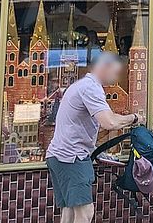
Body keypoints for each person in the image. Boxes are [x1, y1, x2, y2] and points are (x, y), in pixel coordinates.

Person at [45, 52, 143, 223]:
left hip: (59, 156)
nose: (117, 76)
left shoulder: (81, 85)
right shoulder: (91, 88)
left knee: (69, 211)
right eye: (115, 71)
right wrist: (134, 118)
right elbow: (109, 122)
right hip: (72, 158)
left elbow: (97, 123)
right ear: (104, 66)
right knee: (86, 212)